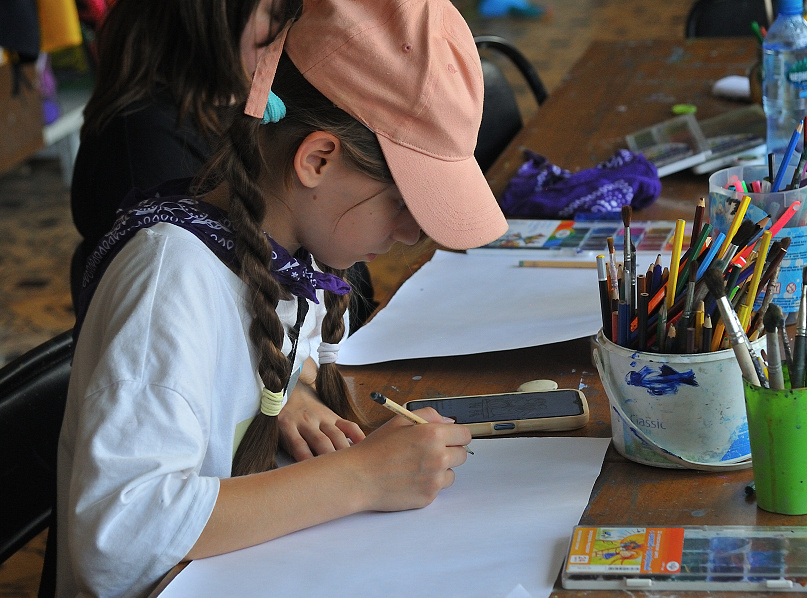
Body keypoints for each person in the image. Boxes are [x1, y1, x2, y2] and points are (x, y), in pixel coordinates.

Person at [57, 0, 509, 595]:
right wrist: (361, 477)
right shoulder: (170, 282)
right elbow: (118, 536)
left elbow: (260, 369)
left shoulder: (291, 250)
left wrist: (293, 390)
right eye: (402, 204)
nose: (408, 234)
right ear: (317, 159)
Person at [69, 0, 379, 335]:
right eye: (276, 17)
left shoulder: (257, 104)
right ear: (209, 18)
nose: (290, 33)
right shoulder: (141, 142)